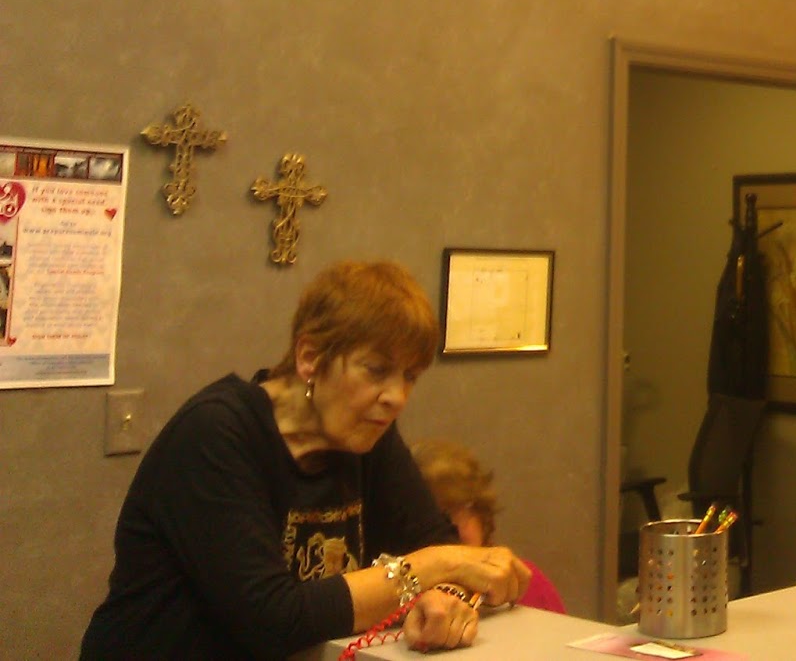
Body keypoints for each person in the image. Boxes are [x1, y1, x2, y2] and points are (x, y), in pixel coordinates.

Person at [80, 259, 529, 659]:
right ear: (310, 358)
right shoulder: (215, 433)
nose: (397, 397)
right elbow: (272, 621)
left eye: (410, 376)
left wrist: (444, 595)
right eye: (377, 370)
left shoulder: (366, 434)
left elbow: (438, 541)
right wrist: (434, 568)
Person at [412, 438, 567, 612]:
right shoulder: (393, 601)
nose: (444, 529)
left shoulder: (526, 584)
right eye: (428, 517)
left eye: (454, 511)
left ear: (481, 514)